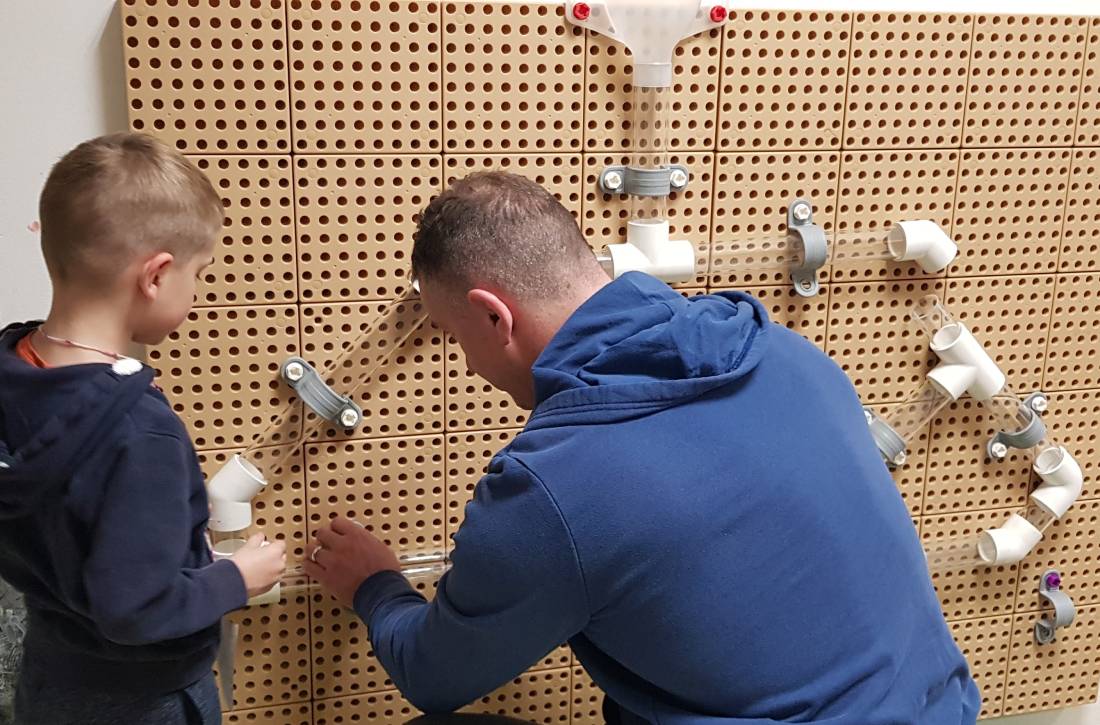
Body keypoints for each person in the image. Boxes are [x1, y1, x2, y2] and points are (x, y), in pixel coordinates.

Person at [304, 171, 981, 724]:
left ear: (493, 315)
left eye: (457, 337)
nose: (468, 362)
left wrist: (376, 587)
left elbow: (433, 673)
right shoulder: (785, 353)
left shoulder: (552, 485)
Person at [0, 133, 287, 725]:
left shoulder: (14, 371)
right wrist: (236, 579)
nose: (197, 289)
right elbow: (136, 608)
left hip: (52, 677)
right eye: (198, 272)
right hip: (144, 699)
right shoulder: (137, 432)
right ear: (155, 275)